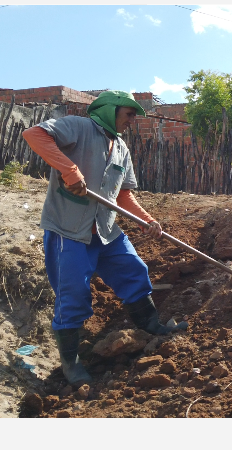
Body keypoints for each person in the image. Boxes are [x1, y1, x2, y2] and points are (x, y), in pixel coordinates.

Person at [22, 90, 187, 386]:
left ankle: (150, 325)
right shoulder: (77, 127)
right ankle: (71, 362)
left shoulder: (121, 148)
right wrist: (69, 170)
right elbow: (34, 134)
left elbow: (123, 195)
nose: (132, 121)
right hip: (69, 230)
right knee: (73, 295)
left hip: (106, 231)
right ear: (111, 110)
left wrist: (147, 220)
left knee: (134, 270)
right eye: (129, 114)